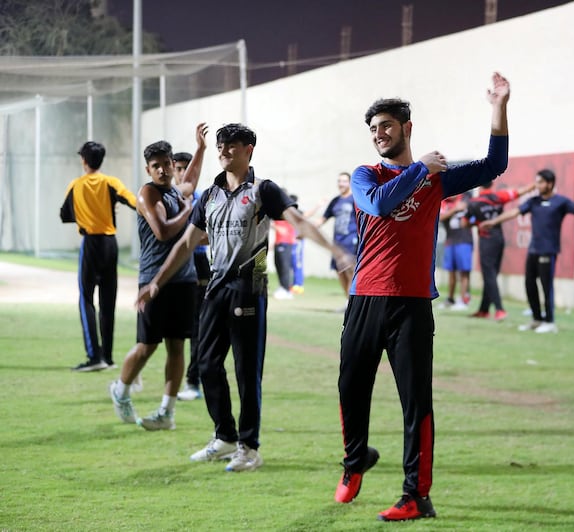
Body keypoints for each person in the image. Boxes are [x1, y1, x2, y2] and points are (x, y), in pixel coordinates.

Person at [335, 72, 510, 521]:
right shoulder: (365, 175)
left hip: (412, 303)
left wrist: (498, 107)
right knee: (350, 387)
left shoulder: (438, 179)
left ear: (406, 128)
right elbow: (378, 204)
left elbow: (495, 165)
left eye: (387, 126)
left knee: (417, 402)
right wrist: (420, 170)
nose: (379, 135)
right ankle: (355, 463)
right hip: (365, 298)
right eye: (373, 129)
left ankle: (416, 495)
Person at [135, 123, 352, 472]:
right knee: (206, 364)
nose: (223, 151)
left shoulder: (264, 190)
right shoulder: (209, 195)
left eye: (231, 146)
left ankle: (249, 446)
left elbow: (298, 222)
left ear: (249, 149)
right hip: (216, 286)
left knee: (246, 371)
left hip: (249, 285)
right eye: (220, 146)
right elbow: (186, 243)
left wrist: (335, 249)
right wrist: (157, 281)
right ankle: (224, 437)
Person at [109, 124, 207, 431]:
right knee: (146, 346)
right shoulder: (147, 194)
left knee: (177, 346)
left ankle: (167, 412)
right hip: (153, 280)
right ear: (148, 169)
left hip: (184, 280)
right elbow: (163, 231)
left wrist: (201, 149)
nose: (164, 170)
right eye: (157, 166)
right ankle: (121, 391)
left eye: (167, 164)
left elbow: (188, 182)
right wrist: (189, 212)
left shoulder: (175, 190)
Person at [481, 169, 574, 333]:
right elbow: (514, 212)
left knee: (546, 286)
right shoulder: (533, 201)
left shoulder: (561, 202)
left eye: (541, 182)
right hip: (533, 249)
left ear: (550, 184)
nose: (537, 185)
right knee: (529, 284)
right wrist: (494, 222)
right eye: (536, 182)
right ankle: (537, 319)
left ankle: (550, 321)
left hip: (548, 250)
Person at [60, 141, 137, 372]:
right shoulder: (111, 182)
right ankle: (108, 357)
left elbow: (64, 215)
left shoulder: (76, 185)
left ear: (84, 160)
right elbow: (133, 202)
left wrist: (85, 215)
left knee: (86, 299)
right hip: (110, 244)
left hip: (91, 244)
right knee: (107, 301)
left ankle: (94, 357)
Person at [466, 179, 536, 321]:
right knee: (492, 274)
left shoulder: (473, 202)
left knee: (489, 275)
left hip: (486, 240)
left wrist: (477, 223)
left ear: (479, 187)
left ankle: (499, 309)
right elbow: (518, 193)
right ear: (492, 185)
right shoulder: (499, 196)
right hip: (499, 239)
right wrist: (533, 186)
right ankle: (484, 310)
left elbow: (464, 223)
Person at [173, 151, 209, 402]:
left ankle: (193, 381)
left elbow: (208, 234)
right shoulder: (165, 197)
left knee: (197, 327)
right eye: (179, 169)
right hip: (172, 264)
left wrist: (187, 238)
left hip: (197, 262)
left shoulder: (200, 200)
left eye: (187, 168)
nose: (183, 173)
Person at [318, 172, 358, 306]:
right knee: (339, 271)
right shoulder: (335, 201)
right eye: (339, 181)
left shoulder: (355, 199)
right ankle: (348, 301)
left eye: (344, 181)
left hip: (351, 241)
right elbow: (323, 219)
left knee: (350, 271)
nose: (341, 184)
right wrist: (306, 229)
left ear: (350, 183)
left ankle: (351, 303)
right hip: (337, 243)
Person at [438, 192, 473, 310]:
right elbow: (441, 217)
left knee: (464, 271)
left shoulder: (466, 197)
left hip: (464, 239)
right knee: (451, 272)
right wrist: (454, 209)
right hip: (451, 240)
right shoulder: (444, 202)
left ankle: (463, 300)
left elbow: (469, 209)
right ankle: (450, 299)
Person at [271, 215, 296, 299]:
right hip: (278, 242)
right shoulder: (277, 212)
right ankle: (282, 287)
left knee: (284, 266)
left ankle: (286, 289)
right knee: (278, 264)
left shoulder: (289, 212)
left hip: (286, 242)